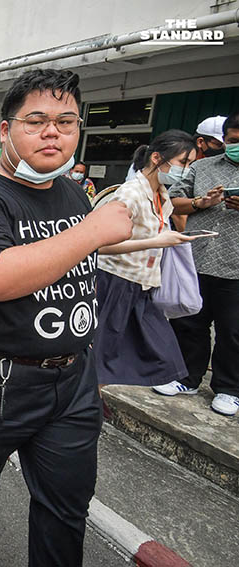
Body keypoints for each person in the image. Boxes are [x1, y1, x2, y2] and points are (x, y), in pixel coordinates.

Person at [0, 69, 132, 567]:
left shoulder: (71, 192)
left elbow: (69, 252)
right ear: (6, 130)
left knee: (67, 503)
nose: (53, 132)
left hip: (72, 378)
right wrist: (93, 231)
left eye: (66, 122)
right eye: (37, 120)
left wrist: (130, 238)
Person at [93, 131, 201, 388]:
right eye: (183, 162)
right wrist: (155, 242)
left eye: (190, 164)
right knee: (102, 356)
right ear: (157, 158)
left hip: (143, 285)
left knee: (162, 354)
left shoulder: (162, 195)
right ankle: (90, 400)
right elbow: (99, 244)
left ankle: (92, 397)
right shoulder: (129, 194)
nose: (186, 170)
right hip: (115, 283)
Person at [154, 110, 239, 417]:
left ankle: (229, 389)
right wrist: (200, 202)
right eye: (233, 140)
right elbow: (173, 201)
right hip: (198, 258)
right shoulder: (202, 167)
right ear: (224, 139)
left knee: (232, 331)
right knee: (189, 322)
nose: (236, 146)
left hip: (235, 267)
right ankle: (186, 378)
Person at [171, 116, 228, 231]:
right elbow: (177, 213)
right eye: (218, 144)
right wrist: (189, 237)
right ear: (200, 141)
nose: (223, 149)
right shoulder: (182, 166)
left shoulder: (219, 166)